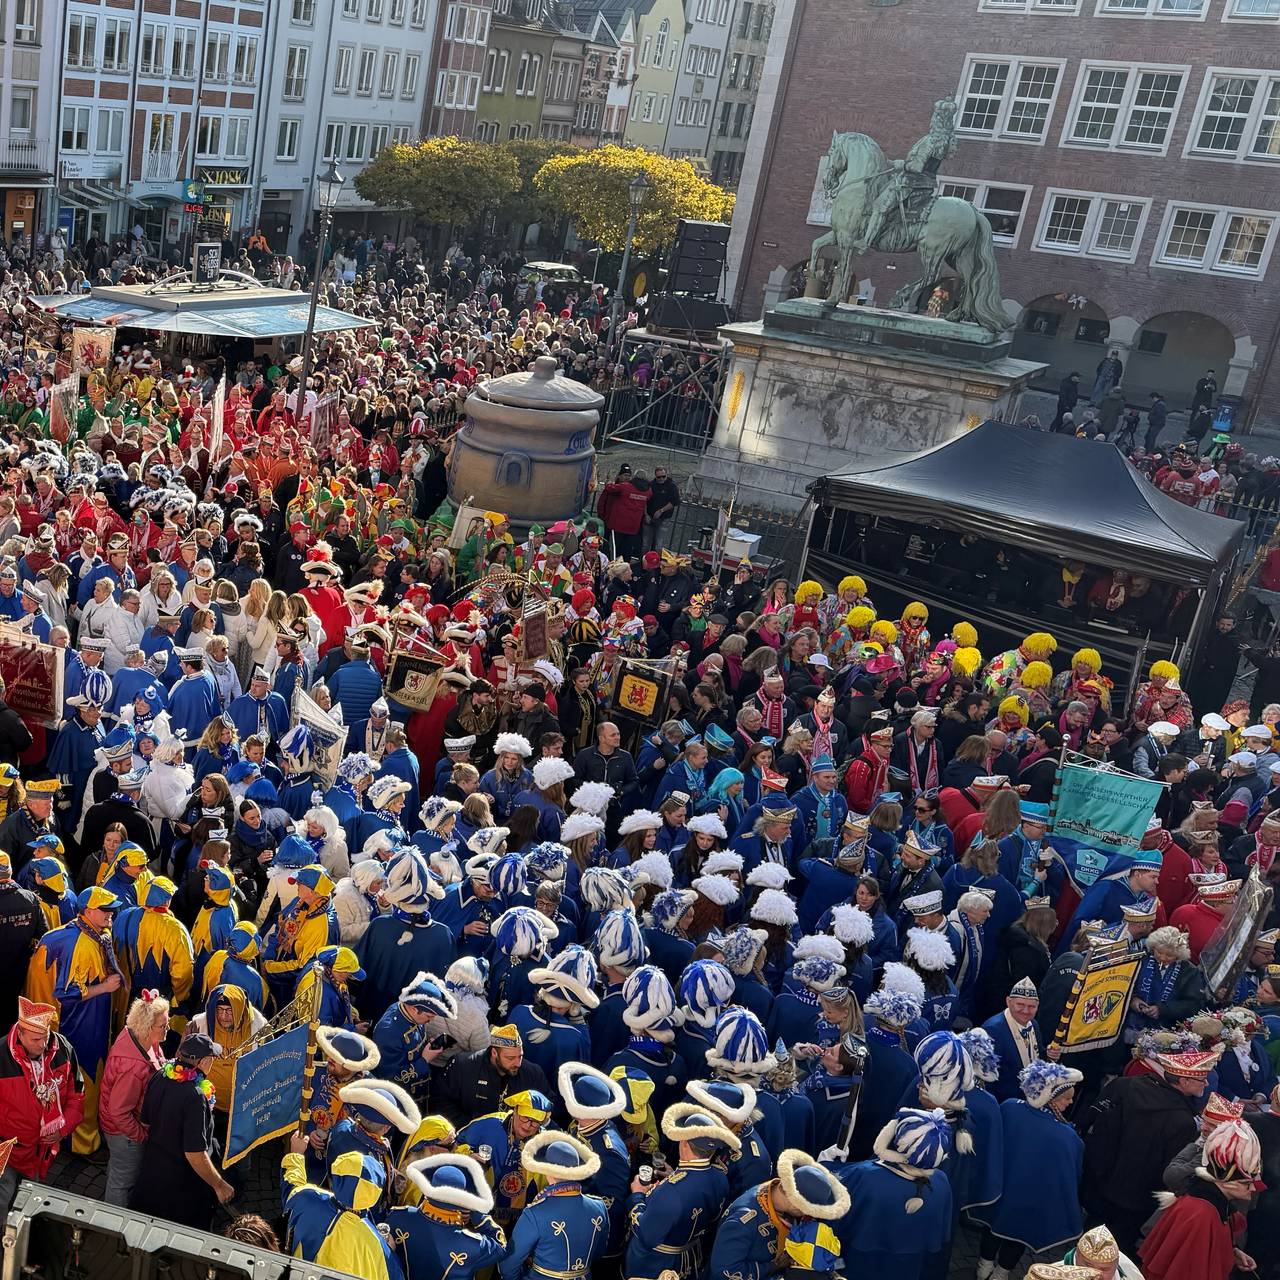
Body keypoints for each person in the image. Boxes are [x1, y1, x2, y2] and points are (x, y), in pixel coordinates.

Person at [129, 1029, 234, 1229]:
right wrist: (219, 1185)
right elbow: (194, 1153)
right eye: (212, 1058)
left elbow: (146, 1121)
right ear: (203, 1062)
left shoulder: (160, 1075)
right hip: (182, 1185)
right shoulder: (195, 1096)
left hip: (153, 1173)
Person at [0, 997, 85, 1214]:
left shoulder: (63, 1049)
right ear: (20, 1034)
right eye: (36, 1039)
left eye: (45, 1037)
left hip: (41, 1154)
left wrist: (62, 1128)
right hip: (6, 1153)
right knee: (3, 1203)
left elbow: (77, 1096)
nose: (43, 1045)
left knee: (27, 1207)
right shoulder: (1, 1056)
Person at [100, 991, 169, 1206]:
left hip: (123, 1130)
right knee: (122, 1183)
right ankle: (115, 1220)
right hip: (125, 1134)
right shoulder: (132, 1067)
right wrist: (140, 1135)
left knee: (118, 1169)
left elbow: (158, 1060)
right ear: (148, 1027)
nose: (167, 1028)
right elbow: (119, 1112)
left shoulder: (141, 1037)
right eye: (163, 1025)